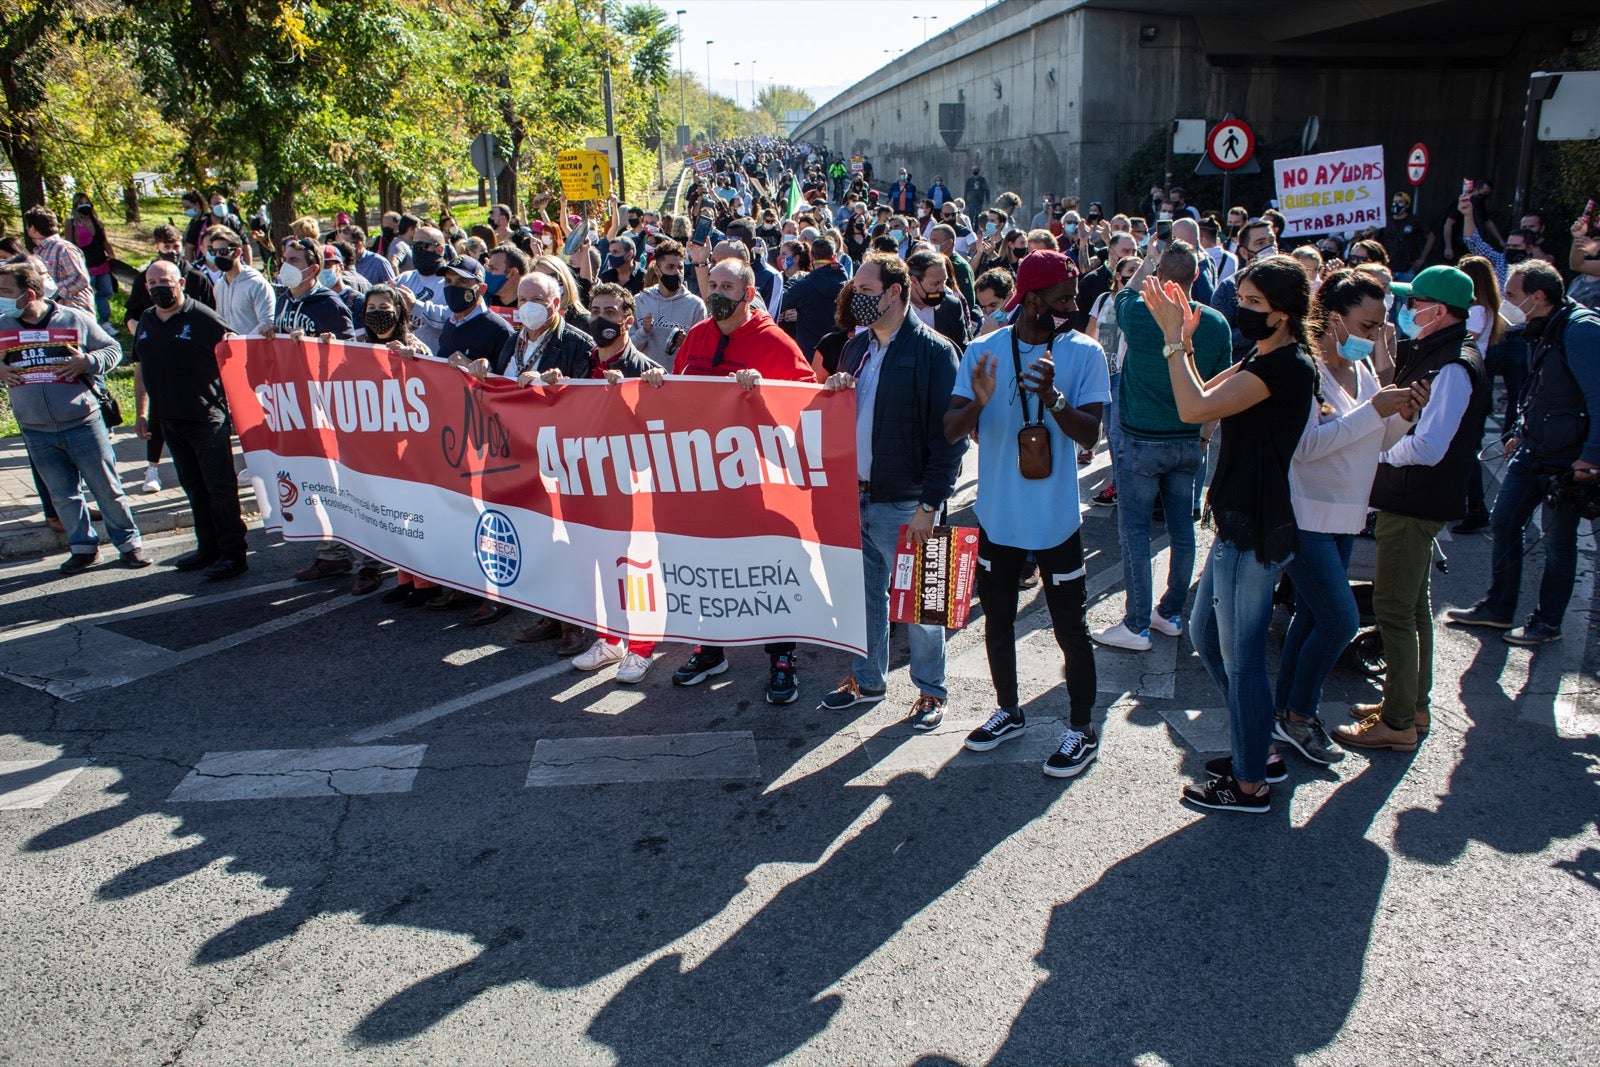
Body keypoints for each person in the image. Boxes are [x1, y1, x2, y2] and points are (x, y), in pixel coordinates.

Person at [1143, 254, 1318, 813]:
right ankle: (1256, 749)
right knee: (1205, 636)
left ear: (1285, 313)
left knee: (1242, 661)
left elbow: (1192, 408)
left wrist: (1174, 339)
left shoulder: (1286, 366)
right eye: (1240, 299)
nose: (1242, 310)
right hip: (1236, 520)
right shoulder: (1261, 354)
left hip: (1254, 525)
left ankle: (1249, 783)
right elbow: (1204, 397)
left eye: (1254, 303)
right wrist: (1184, 344)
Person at [945, 251, 1110, 778]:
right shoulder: (984, 351)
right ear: (1034, 299)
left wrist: (1055, 400)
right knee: (997, 620)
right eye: (1064, 297)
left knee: (1071, 629)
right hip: (998, 517)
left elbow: (1091, 434)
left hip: (1057, 520)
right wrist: (978, 402)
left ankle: (1081, 728)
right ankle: (1008, 710)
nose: (1074, 305)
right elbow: (950, 431)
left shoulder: (1085, 352)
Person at [1333, 265, 1489, 752]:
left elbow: (1428, 446)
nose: (1404, 311)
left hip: (1414, 501)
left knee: (1394, 611)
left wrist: (1375, 454)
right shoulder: (1444, 354)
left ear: (1437, 311)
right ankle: (1409, 704)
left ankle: (1399, 720)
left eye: (1413, 303)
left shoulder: (1453, 365)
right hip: (1415, 499)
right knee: (1413, 607)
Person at [1275, 269, 1423, 768]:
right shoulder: (1307, 369)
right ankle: (1299, 715)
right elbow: (1305, 448)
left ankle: (1285, 713)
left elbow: (1375, 442)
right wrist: (1374, 411)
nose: (1375, 336)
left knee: (1313, 616)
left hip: (1345, 515)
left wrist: (1404, 414)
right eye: (1367, 326)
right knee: (1339, 620)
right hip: (1304, 515)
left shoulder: (1362, 371)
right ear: (1334, 319)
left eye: (1380, 327)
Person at [652, 259, 815, 704]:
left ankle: (782, 659)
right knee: (707, 568)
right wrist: (658, 385)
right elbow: (679, 392)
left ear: (748, 294)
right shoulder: (698, 335)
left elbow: (806, 402)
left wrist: (765, 391)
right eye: (714, 285)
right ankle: (710, 650)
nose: (718, 293)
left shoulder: (774, 342)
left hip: (758, 486)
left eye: (728, 286)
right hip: (703, 483)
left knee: (770, 571)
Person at [817, 253, 967, 730]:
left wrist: (930, 504)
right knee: (865, 599)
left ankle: (931, 692)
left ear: (895, 292)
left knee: (923, 603)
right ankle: (867, 680)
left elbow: (951, 438)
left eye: (865, 290)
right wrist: (835, 390)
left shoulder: (935, 352)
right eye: (855, 290)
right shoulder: (854, 349)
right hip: (856, 495)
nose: (855, 298)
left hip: (909, 500)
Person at [1447, 260, 1600, 646]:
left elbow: (1598, 398)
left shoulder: (1581, 330)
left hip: (1567, 459)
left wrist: (1591, 457)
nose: (1505, 303)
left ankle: (1547, 622)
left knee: (1558, 542)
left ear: (1539, 296)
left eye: (1512, 295)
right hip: (1534, 448)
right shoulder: (1540, 327)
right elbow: (1539, 388)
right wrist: (1518, 429)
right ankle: (1498, 608)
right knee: (1503, 522)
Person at [1094, 241, 1232, 652]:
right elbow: (1219, 388)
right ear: (1197, 277)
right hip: (1189, 440)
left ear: (1159, 276)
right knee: (1181, 530)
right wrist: (1204, 436)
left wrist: (1148, 261)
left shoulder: (1139, 311)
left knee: (1134, 532)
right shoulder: (1216, 323)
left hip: (1140, 441)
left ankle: (1136, 624)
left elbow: (1123, 292)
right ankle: (1170, 613)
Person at [0, 260, 147, 573]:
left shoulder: (74, 318)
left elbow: (112, 349)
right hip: (35, 430)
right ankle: (83, 548)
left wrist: (88, 362)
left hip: (83, 424)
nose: (0, 298)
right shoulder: (3, 326)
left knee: (107, 490)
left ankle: (129, 545)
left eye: (5, 291)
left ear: (28, 294)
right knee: (63, 495)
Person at [130, 259, 248, 579]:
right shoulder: (146, 319)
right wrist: (141, 413)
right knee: (194, 488)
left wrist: (239, 408)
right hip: (169, 420)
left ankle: (233, 554)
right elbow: (140, 368)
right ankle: (207, 548)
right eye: (153, 283)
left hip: (206, 419)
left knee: (219, 489)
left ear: (181, 283)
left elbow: (237, 357)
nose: (159, 288)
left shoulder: (203, 318)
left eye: (165, 282)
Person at [124, 224, 217, 495]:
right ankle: (152, 467)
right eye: (167, 247)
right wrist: (145, 333)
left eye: (176, 246)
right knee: (159, 417)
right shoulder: (145, 285)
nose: (172, 251)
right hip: (160, 367)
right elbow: (131, 317)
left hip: (195, 380)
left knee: (211, 480)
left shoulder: (198, 279)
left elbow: (217, 326)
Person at [1085, 254, 1139, 506]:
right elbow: (1090, 333)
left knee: (1117, 435)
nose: (1136, 275)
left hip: (1124, 375)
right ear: (1118, 274)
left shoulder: (1139, 302)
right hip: (1102, 374)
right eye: (1131, 270)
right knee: (1108, 433)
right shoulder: (1103, 299)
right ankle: (1121, 484)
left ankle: (1120, 487)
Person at [630, 238, 705, 366]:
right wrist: (643, 332)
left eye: (680, 267)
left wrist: (687, 343)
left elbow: (702, 351)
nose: (677, 272)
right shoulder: (640, 301)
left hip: (679, 375)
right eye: (670, 267)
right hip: (646, 374)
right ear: (657, 270)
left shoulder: (695, 305)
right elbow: (628, 348)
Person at [781, 236, 848, 363]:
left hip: (810, 356)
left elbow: (781, 302)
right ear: (834, 257)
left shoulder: (804, 285)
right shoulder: (847, 285)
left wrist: (793, 281)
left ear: (812, 257)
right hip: (840, 356)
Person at [205, 226, 276, 339]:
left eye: (223, 251)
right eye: (213, 252)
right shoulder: (219, 285)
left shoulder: (257, 284)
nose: (218, 256)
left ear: (237, 252)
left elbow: (267, 323)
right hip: (228, 347)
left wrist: (240, 341)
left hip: (253, 346)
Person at [394, 226, 454, 353]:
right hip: (404, 356)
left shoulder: (451, 281)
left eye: (421, 246)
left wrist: (415, 305)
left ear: (439, 249)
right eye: (413, 245)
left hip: (434, 357)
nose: (416, 250)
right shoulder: (404, 278)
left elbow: (453, 317)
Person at [22, 208, 92, 314]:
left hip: (74, 312)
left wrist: (52, 292)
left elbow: (80, 278)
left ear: (32, 229)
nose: (27, 230)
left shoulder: (64, 248)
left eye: (27, 226)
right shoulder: (39, 251)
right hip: (54, 313)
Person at [905, 249, 969, 350]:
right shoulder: (895, 307)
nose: (942, 289)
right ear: (914, 281)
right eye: (935, 284)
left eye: (944, 282)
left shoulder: (952, 306)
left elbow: (962, 348)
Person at [68, 195, 116, 328]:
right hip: (85, 265)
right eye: (80, 203)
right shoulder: (72, 223)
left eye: (86, 202)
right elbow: (70, 245)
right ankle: (89, 322)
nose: (84, 205)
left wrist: (113, 258)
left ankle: (105, 321)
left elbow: (105, 242)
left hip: (102, 262)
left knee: (105, 292)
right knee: (88, 294)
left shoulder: (97, 222)